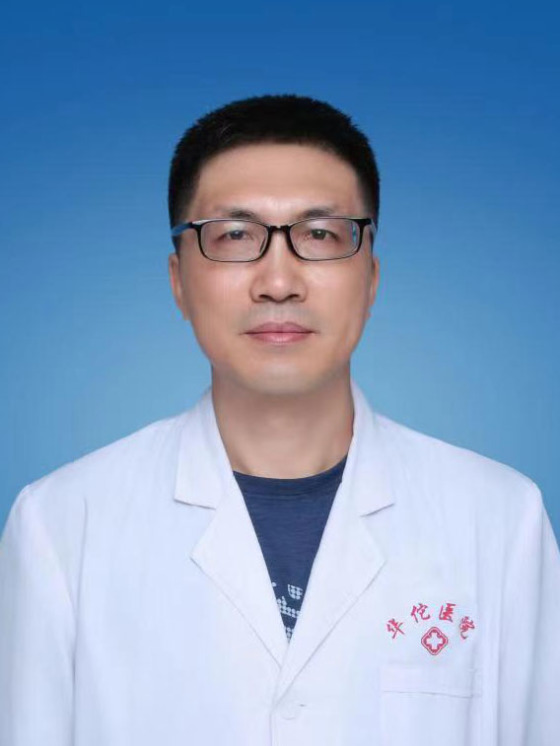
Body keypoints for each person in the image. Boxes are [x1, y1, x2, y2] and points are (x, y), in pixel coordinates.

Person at [0, 94, 558, 746]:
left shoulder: (499, 519)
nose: (278, 281)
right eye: (235, 236)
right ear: (178, 281)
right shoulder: (62, 525)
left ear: (371, 278)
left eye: (319, 235)